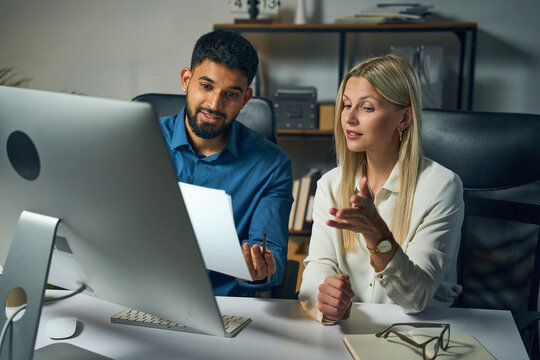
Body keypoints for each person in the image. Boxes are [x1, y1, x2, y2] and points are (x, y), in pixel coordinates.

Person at [298, 55, 464, 323]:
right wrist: (325, 302)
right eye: (347, 105)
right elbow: (319, 266)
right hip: (350, 328)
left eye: (367, 108)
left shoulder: (442, 187)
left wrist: (377, 234)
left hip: (422, 332)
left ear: (405, 118)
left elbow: (416, 298)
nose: (349, 118)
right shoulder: (330, 184)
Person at [159, 30, 293, 296]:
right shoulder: (140, 140)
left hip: (226, 306)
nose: (214, 104)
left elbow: (271, 256)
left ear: (245, 98)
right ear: (186, 80)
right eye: (206, 86)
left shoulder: (272, 165)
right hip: (145, 292)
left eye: (231, 94)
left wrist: (260, 268)